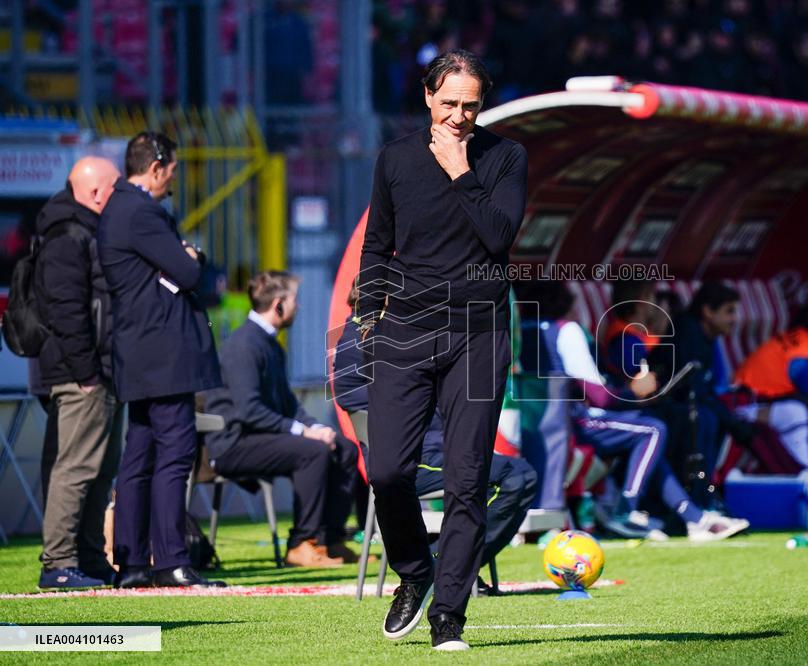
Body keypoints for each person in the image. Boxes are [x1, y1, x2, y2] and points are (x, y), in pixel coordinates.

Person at [357, 49, 527, 651]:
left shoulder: (504, 158)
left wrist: (460, 168)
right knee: (386, 470)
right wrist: (365, 314)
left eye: (471, 106)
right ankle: (414, 570)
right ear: (428, 97)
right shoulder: (396, 158)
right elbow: (377, 245)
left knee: (466, 479)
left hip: (480, 335)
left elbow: (500, 236)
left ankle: (448, 617)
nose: (459, 116)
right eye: (449, 103)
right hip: (404, 330)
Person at [333, 288, 537, 592]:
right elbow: (382, 407)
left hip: (436, 448)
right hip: (414, 459)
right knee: (516, 478)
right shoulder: (365, 340)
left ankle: (448, 566)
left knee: (517, 473)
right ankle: (447, 568)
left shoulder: (390, 335)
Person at [519, 280, 748, 542]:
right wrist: (636, 393)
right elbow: (600, 398)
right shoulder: (568, 331)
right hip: (573, 424)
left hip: (530, 431)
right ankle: (628, 509)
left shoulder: (521, 333)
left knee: (646, 429)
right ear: (566, 306)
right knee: (653, 429)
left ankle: (693, 516)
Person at [98, 131, 225, 588]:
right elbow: (189, 271)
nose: (171, 183)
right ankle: (170, 559)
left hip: (139, 351)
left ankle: (132, 562)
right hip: (163, 351)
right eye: (170, 172)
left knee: (140, 455)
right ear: (154, 168)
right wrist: (193, 254)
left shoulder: (117, 209)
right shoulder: (142, 212)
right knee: (174, 454)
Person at [203, 271, 358, 568]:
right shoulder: (244, 345)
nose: (298, 307)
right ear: (278, 305)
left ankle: (330, 540)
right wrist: (304, 433)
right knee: (313, 452)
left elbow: (287, 404)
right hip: (233, 442)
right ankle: (302, 543)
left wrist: (315, 427)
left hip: (261, 436)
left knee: (343, 447)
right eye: (294, 301)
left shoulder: (270, 343)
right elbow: (249, 411)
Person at [33, 157, 123, 589]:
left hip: (96, 370)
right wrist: (88, 371)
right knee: (76, 469)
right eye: (116, 187)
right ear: (95, 193)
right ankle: (59, 563)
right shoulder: (68, 235)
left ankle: (88, 558)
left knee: (100, 469)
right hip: (82, 373)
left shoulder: (81, 229)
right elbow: (67, 311)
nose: (121, 194)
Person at [647, 281, 755, 506]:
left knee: (714, 416)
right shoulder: (687, 332)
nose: (734, 319)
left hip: (682, 406)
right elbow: (689, 389)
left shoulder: (706, 337)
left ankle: (704, 494)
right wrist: (731, 421)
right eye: (729, 311)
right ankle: (695, 499)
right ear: (707, 311)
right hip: (659, 408)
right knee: (705, 418)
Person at [733, 299, 808, 479]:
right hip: (742, 407)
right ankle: (804, 476)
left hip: (747, 402)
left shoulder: (798, 339)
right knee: (800, 413)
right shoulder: (807, 357)